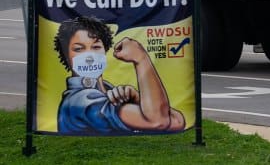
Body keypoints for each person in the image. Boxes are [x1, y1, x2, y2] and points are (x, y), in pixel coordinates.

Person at [53, 16, 185, 135]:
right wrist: (141, 59)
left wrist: (138, 98)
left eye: (96, 47)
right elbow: (159, 121)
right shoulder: (80, 101)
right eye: (79, 49)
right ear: (66, 54)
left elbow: (176, 121)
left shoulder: (106, 89)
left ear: (105, 50)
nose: (89, 56)